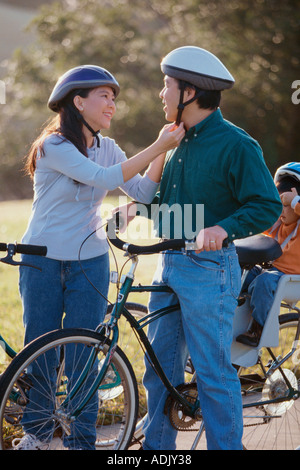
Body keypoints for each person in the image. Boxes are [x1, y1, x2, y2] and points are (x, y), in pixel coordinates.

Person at [118, 46, 282, 450]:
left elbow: (267, 205)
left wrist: (224, 229)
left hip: (210, 268)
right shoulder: (178, 140)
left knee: (211, 372)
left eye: (167, 85)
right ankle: (158, 451)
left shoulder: (237, 144)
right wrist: (136, 209)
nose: (161, 93)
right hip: (169, 263)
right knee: (159, 371)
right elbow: (175, 204)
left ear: (189, 92)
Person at [14, 65, 185, 450]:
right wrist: (158, 145)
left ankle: (82, 443)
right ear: (78, 101)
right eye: (104, 96)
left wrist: (163, 151)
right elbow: (105, 179)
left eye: (113, 97)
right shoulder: (53, 146)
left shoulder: (108, 147)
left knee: (83, 358)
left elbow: (139, 191)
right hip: (41, 260)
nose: (112, 103)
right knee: (40, 352)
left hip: (89, 262)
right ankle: (37, 435)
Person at [237, 162, 300, 347]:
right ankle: (231, 312)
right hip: (272, 271)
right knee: (239, 273)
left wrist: (294, 201)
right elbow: (257, 222)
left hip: (291, 278)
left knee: (264, 282)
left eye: (286, 205)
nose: (282, 210)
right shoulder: (279, 223)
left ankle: (258, 329)